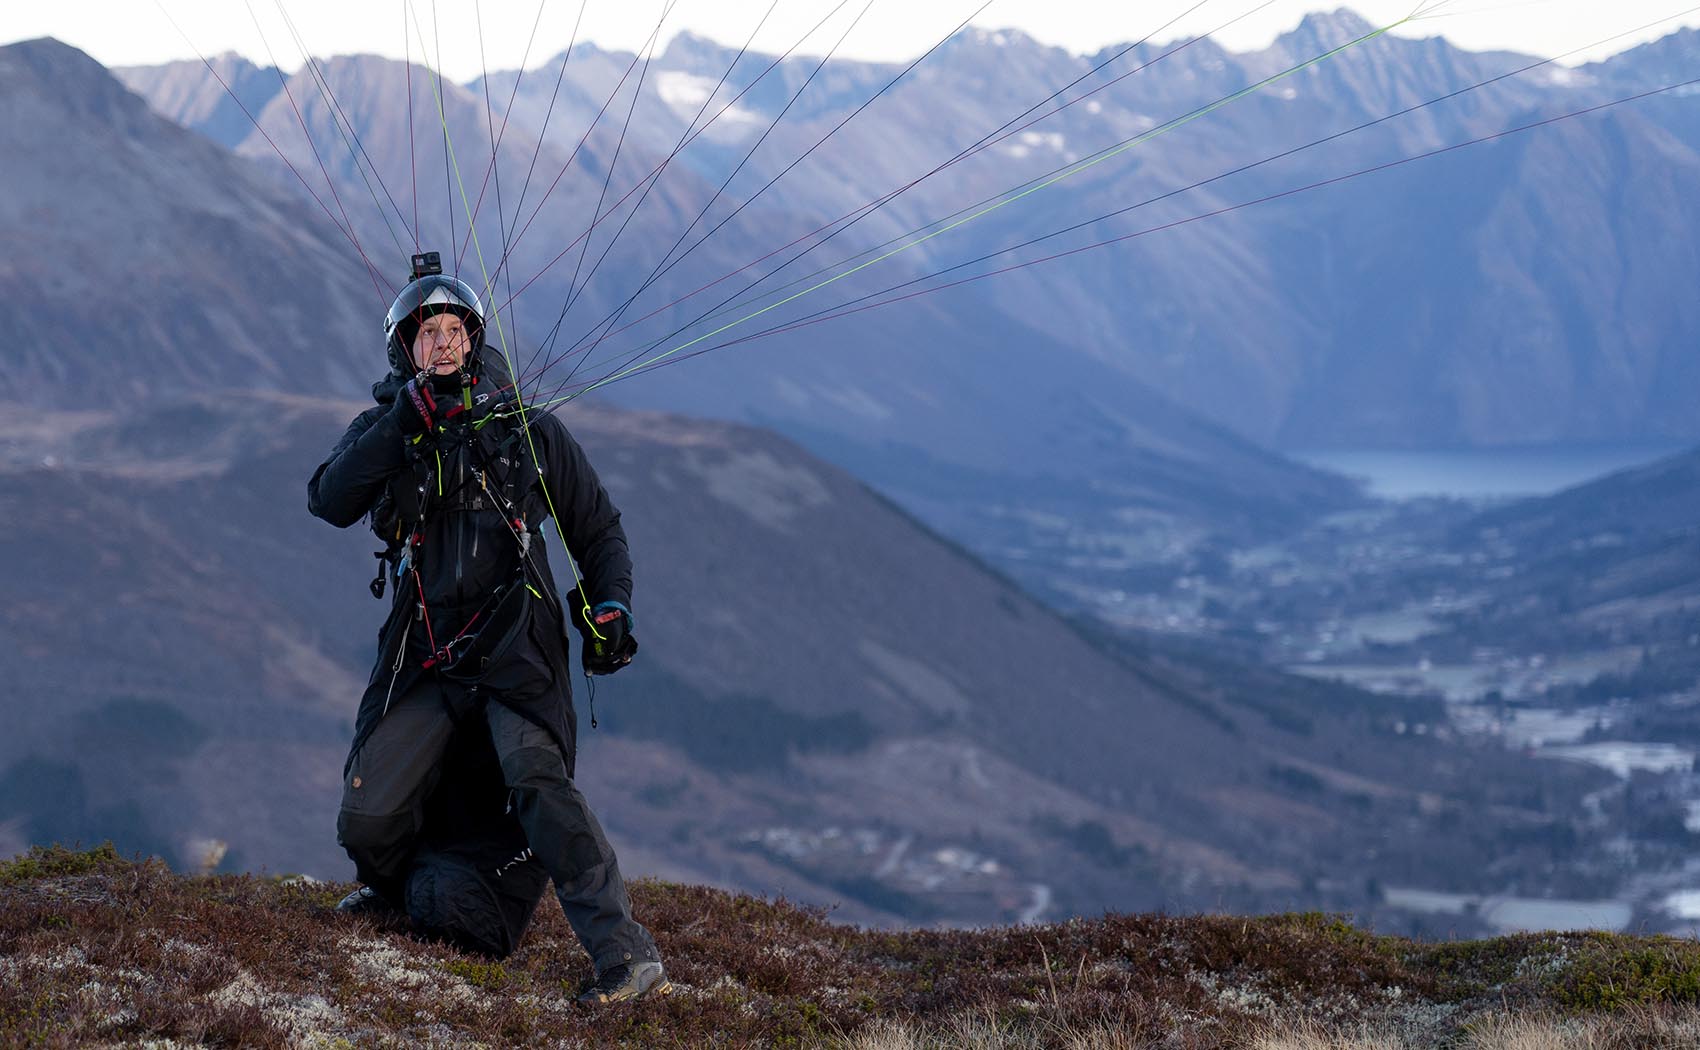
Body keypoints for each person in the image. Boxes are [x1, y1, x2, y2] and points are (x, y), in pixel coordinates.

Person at [307, 252, 668, 1004]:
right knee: (367, 815)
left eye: (454, 329)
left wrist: (613, 606)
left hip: (514, 649)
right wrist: (405, 421)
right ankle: (393, 888)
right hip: (427, 652)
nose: (444, 343)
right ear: (404, 349)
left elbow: (599, 533)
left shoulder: (528, 432)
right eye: (427, 332)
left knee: (537, 777)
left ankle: (623, 954)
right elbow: (329, 498)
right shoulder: (386, 430)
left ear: (474, 339)